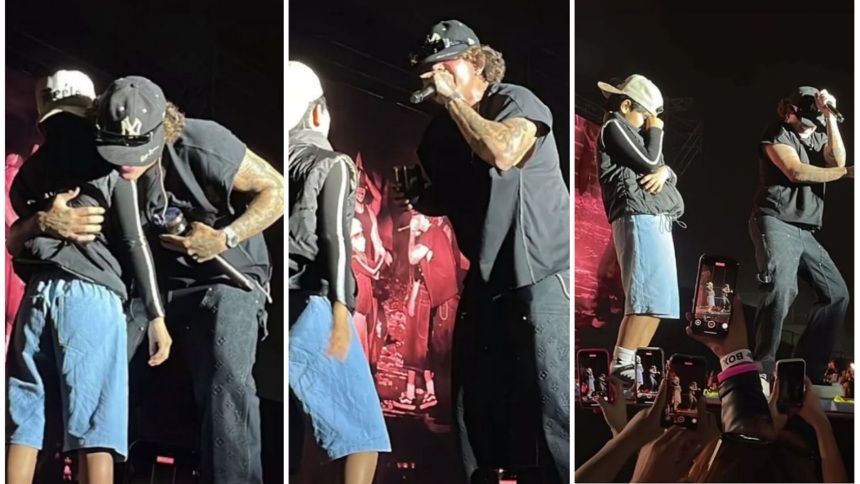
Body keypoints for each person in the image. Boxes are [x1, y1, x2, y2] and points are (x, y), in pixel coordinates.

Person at [398, 19, 570, 483]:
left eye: (445, 64)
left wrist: (454, 99)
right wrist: (419, 198)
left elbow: (503, 152)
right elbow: (456, 196)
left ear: (475, 62)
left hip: (540, 270)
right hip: (487, 278)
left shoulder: (513, 100)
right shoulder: (437, 136)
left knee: (550, 409)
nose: (435, 75)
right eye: (428, 69)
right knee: (475, 409)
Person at [6, 70, 171, 484]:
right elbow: (134, 242)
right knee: (96, 425)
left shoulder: (28, 175)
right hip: (92, 297)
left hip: (37, 296)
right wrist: (156, 316)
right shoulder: (109, 165)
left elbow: (16, 239)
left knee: (24, 422)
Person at [287, 60, 391, 484]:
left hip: (278, 305)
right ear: (317, 112)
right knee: (363, 434)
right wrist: (342, 309)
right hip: (315, 304)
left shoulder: (278, 165)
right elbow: (335, 237)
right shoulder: (332, 163)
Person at [749, 86, 853, 391]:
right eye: (804, 120)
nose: (809, 127)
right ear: (789, 112)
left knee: (836, 294)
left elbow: (837, 160)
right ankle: (763, 367)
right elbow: (796, 171)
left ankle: (807, 369)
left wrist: (829, 116)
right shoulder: (776, 133)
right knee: (781, 287)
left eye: (814, 121)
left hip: (805, 230)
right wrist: (845, 173)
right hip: (775, 221)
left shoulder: (819, 135)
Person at [594, 74, 684, 385]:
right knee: (644, 299)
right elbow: (649, 161)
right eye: (646, 116)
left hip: (656, 217)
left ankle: (633, 365)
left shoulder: (634, 134)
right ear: (626, 105)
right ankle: (621, 366)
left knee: (658, 304)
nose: (650, 123)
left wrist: (665, 171)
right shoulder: (614, 126)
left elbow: (660, 168)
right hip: (638, 215)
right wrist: (657, 133)